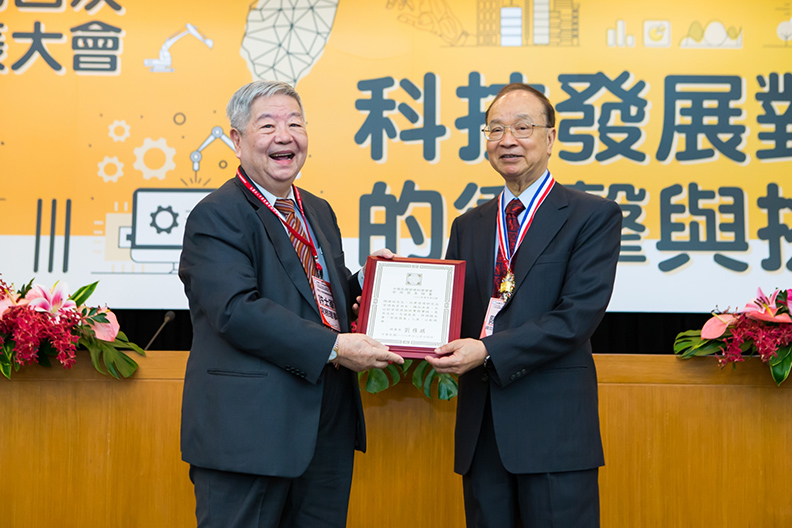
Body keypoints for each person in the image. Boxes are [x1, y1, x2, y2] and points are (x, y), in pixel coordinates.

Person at [178, 80, 403, 528]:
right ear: (237, 140)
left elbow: (319, 298)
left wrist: (370, 282)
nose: (285, 136)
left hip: (325, 428)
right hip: (249, 435)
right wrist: (336, 348)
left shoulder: (316, 210)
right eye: (268, 125)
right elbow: (236, 311)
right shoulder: (217, 214)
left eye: (295, 124)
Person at [426, 83, 622, 528]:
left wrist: (489, 351)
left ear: (550, 138)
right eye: (495, 129)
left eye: (522, 127)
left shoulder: (591, 216)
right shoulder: (469, 224)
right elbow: (452, 312)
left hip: (553, 431)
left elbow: (577, 317)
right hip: (482, 429)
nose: (507, 140)